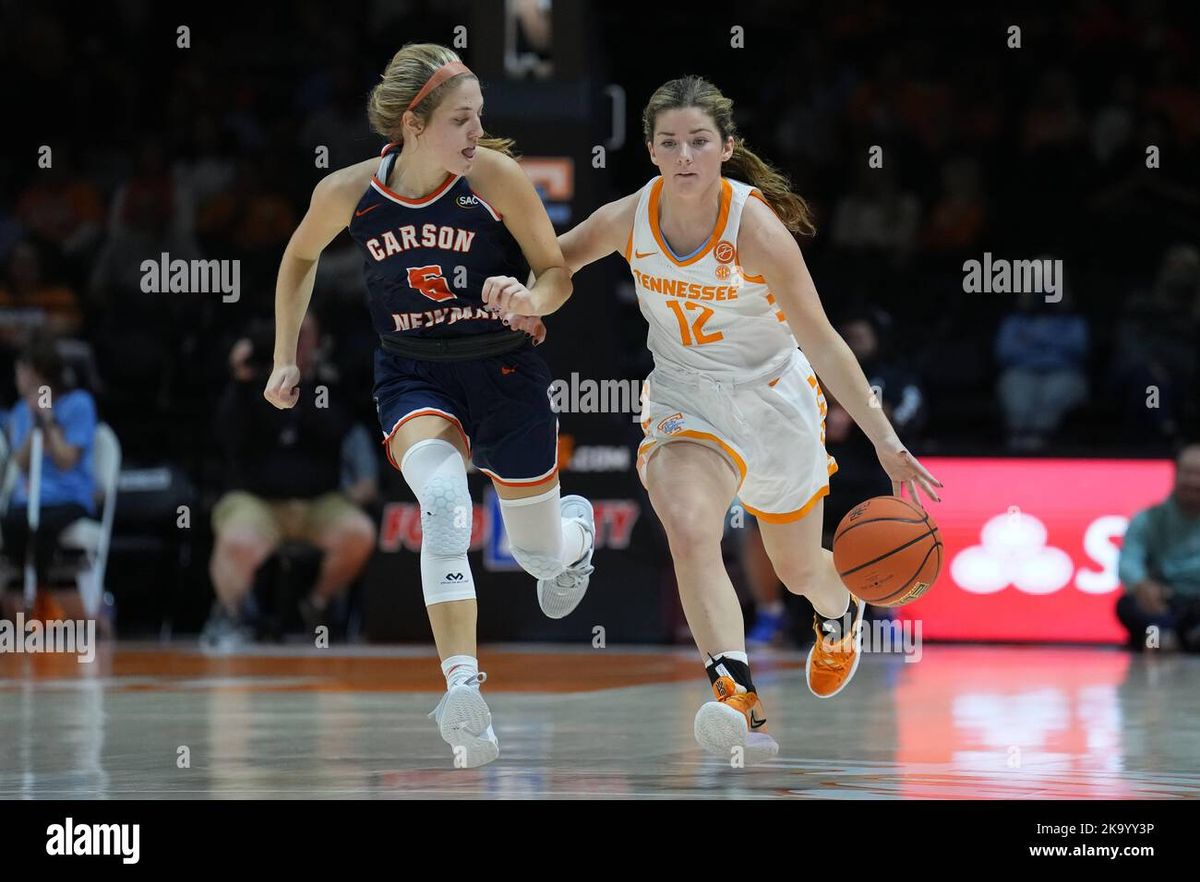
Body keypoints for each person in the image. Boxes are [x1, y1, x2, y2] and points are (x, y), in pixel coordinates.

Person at [491, 75, 941, 765]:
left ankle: (838, 611)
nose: (685, 155)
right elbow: (557, 266)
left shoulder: (754, 227)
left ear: (727, 147)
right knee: (691, 526)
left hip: (771, 399)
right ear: (650, 150)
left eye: (700, 141)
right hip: (684, 397)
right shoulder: (629, 216)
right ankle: (735, 691)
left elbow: (822, 339)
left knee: (796, 569)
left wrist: (884, 439)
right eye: (669, 142)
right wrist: (524, 297)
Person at [263, 44, 596, 768]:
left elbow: (556, 273)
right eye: (462, 119)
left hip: (503, 369)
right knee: (443, 501)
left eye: (480, 118)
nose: (478, 133)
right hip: (415, 374)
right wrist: (286, 353)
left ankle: (576, 536)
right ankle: (463, 691)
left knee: (540, 556)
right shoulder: (350, 192)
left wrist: (529, 298)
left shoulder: (495, 178)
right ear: (415, 123)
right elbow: (296, 258)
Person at [0, 333, 97, 622]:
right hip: (30, 497)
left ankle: (46, 604)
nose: (18, 378)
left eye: (22, 372)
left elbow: (66, 460)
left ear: (39, 374)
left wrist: (49, 420)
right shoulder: (20, 412)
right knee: (13, 525)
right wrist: (33, 423)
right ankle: (24, 607)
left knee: (43, 530)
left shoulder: (79, 404)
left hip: (67, 497)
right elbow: (20, 462)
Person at [1116, 442, 1200, 651]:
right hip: (1163, 601)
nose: (1193, 481)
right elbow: (1128, 562)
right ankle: (1163, 636)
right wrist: (1141, 584)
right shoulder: (1148, 519)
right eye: (1187, 473)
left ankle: (1188, 637)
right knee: (1127, 605)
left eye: (1199, 474)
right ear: (1175, 474)